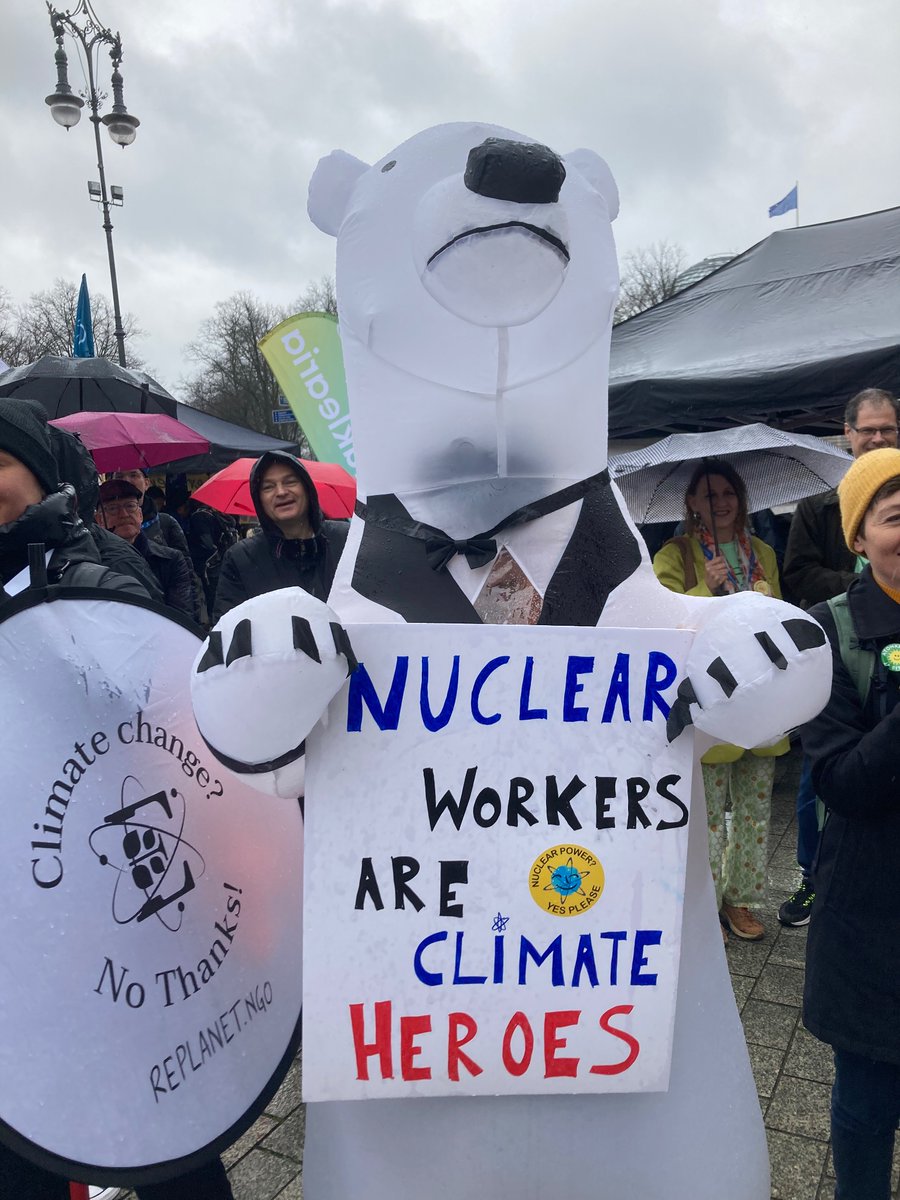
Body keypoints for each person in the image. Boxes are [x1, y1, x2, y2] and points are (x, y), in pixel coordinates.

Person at [0, 399, 233, 1199]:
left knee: (157, 1109)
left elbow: (155, 701)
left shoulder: (89, 563)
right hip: (15, 911)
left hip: (108, 890)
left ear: (38, 476)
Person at [801, 446, 900, 1200]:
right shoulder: (828, 633)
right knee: (867, 1104)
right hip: (872, 909)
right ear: (859, 538)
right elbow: (841, 782)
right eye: (895, 517)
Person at [778, 387, 900, 927]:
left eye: (887, 429)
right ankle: (813, 872)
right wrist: (858, 587)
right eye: (867, 429)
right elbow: (797, 574)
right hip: (847, 651)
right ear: (847, 434)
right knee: (818, 787)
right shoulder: (817, 507)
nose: (877, 437)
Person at [653, 459, 788, 942]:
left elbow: (780, 624)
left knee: (754, 810)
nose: (721, 502)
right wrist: (701, 589)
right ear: (690, 502)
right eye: (709, 494)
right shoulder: (675, 554)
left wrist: (771, 600)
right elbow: (660, 624)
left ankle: (742, 900)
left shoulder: (764, 553)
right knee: (705, 815)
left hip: (761, 696)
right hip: (707, 699)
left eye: (728, 491)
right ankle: (702, 902)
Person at [213, 450, 348, 622]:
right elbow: (229, 631)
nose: (281, 492)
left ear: (307, 488)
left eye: (290, 482)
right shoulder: (240, 559)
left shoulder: (347, 540)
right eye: (268, 487)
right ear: (259, 499)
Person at [112, 467, 207, 624]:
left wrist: (192, 626)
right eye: (120, 475)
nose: (127, 480)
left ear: (147, 482)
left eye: (134, 475)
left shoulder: (166, 523)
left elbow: (188, 576)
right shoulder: (101, 529)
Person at [96, 478, 194, 619]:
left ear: (140, 515)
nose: (123, 515)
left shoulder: (170, 560)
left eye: (130, 506)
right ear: (99, 520)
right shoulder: (92, 561)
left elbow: (181, 616)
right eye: (112, 509)